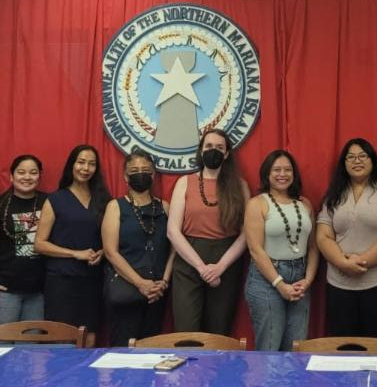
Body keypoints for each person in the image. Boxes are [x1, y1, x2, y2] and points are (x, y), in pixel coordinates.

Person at [316, 138, 377, 339]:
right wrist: (342, 263)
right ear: (344, 163)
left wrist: (360, 261)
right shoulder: (334, 194)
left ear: (373, 160)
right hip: (339, 284)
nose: (357, 161)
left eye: (362, 156)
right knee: (343, 350)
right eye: (350, 157)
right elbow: (323, 236)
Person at [167, 128, 251, 335]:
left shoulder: (239, 186)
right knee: (186, 331)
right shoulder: (184, 182)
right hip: (188, 260)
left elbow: (247, 233)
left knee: (219, 331)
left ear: (227, 153)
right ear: (201, 150)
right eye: (209, 146)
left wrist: (220, 267)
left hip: (227, 261)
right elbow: (172, 231)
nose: (214, 151)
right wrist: (201, 267)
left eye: (219, 147)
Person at [244, 150, 320, 351]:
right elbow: (255, 250)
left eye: (287, 170)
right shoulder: (257, 204)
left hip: (300, 280)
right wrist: (280, 285)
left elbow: (313, 247)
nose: (282, 174)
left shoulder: (305, 205)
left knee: (296, 347)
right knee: (269, 349)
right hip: (267, 280)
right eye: (276, 170)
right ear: (267, 174)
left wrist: (308, 280)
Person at [101, 148, 174, 347]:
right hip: (126, 290)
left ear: (153, 175)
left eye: (145, 170)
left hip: (157, 292)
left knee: (151, 349)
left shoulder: (165, 207)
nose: (140, 174)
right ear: (125, 176)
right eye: (134, 170)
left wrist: (164, 282)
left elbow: (174, 249)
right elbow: (110, 252)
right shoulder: (115, 206)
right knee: (123, 351)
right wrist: (140, 283)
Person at [34, 144, 108, 335]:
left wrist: (103, 252)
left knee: (89, 335)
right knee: (61, 337)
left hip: (93, 280)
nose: (85, 168)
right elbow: (39, 244)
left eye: (91, 164)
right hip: (61, 281)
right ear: (71, 165)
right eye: (81, 162)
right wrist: (75, 254)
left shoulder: (103, 199)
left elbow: (108, 238)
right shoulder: (55, 199)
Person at [0, 154, 48, 331]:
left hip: (38, 293)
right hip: (3, 290)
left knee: (31, 352)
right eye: (21, 172)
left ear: (39, 176)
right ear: (11, 176)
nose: (27, 177)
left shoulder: (49, 203)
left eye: (33, 172)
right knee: (1, 345)